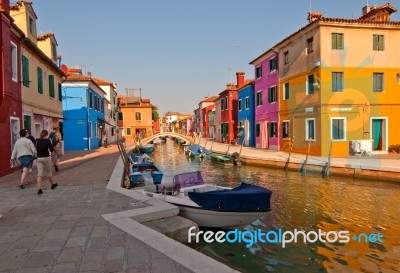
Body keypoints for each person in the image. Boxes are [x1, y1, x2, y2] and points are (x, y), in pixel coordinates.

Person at [35, 130, 58, 195]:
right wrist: (50, 143)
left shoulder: (37, 140)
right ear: (46, 135)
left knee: (39, 174)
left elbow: (36, 148)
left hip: (39, 158)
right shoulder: (47, 141)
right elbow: (51, 149)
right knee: (49, 172)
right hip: (46, 158)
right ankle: (52, 185)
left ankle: (39, 189)